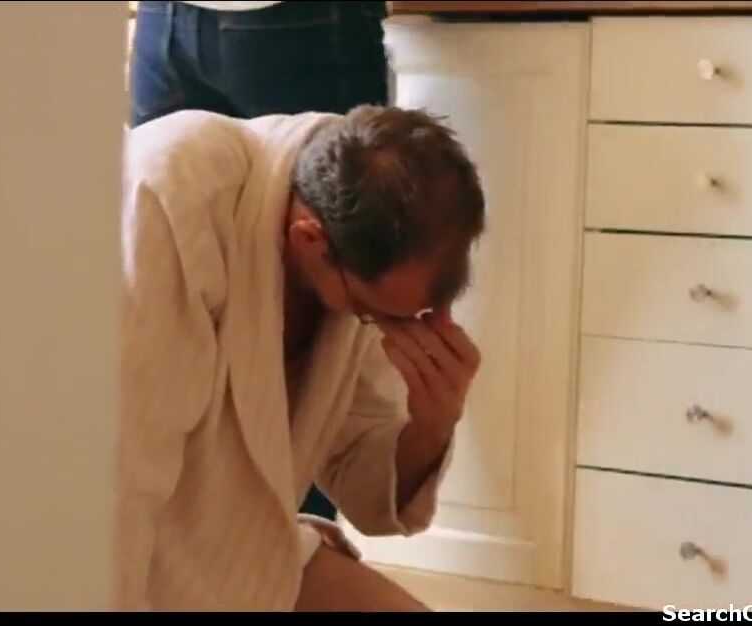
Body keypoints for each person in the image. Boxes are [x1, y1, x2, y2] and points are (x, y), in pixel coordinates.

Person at [115, 104, 485, 611]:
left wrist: (431, 424)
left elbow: (365, 492)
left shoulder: (357, 226)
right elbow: (115, 483)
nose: (394, 330)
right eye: (373, 313)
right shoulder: (172, 197)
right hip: (115, 541)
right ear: (309, 240)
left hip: (238, 544)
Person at [128, 0, 391, 522]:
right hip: (295, 20)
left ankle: (184, 549)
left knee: (160, 290)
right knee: (319, 276)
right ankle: (278, 553)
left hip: (166, 19)